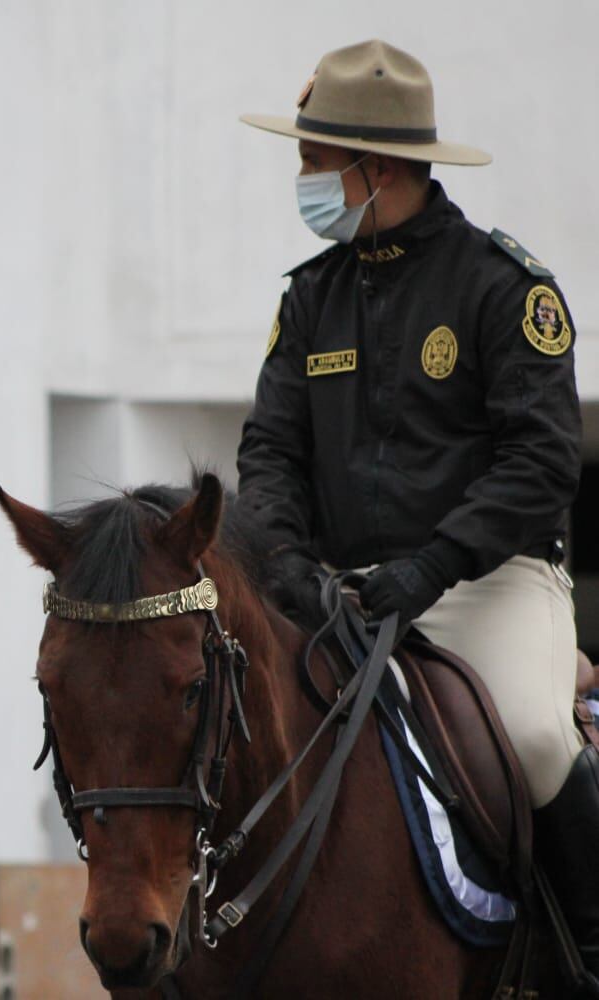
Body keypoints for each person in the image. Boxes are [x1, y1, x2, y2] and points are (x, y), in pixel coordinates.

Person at [236, 40, 597, 990]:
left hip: (487, 581)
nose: (304, 181)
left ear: (375, 166)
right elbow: (270, 453)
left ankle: (588, 952)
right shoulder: (310, 300)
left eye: (315, 162)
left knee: (529, 734)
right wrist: (279, 561)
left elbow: (542, 461)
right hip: (337, 590)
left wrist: (433, 565)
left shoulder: (502, 287)